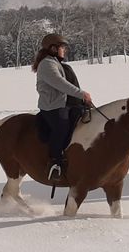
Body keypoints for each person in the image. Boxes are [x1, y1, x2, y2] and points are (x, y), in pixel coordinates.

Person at [32, 33, 93, 180]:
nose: (64, 50)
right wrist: (82, 94)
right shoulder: (47, 64)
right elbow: (60, 84)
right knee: (62, 127)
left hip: (61, 104)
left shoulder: (54, 62)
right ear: (53, 48)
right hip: (52, 107)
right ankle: (55, 162)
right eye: (62, 48)